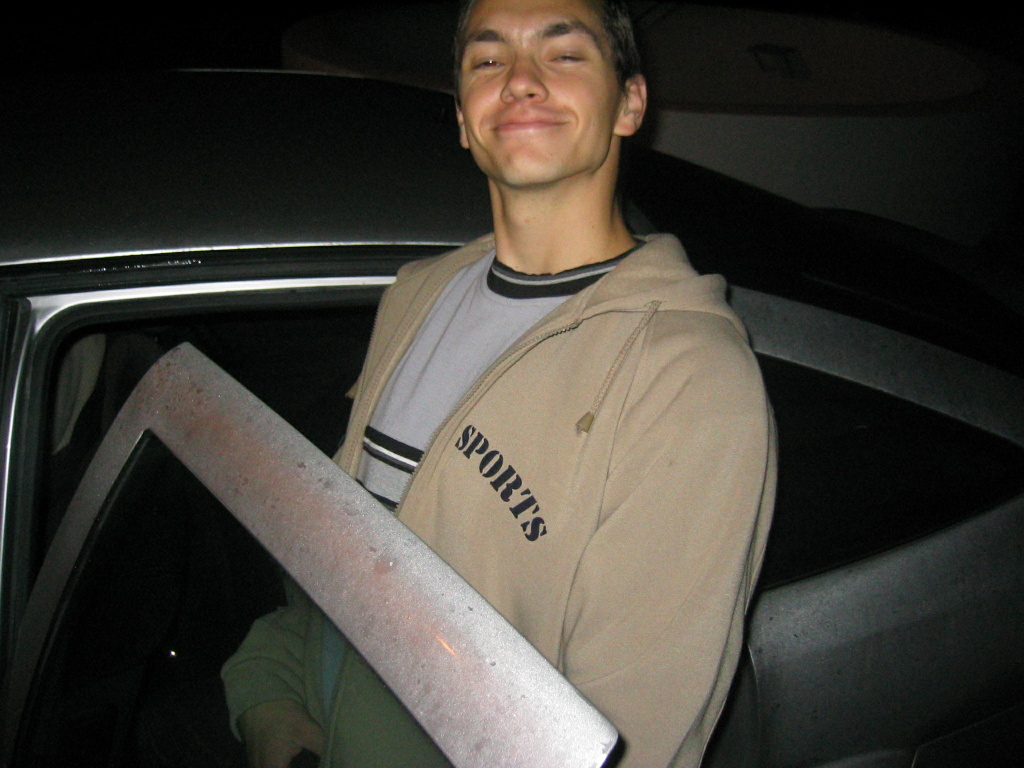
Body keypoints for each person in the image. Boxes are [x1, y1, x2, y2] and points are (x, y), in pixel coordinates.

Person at [222, 0, 777, 766]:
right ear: (462, 117)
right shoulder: (417, 297)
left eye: (565, 54)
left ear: (630, 103)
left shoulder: (690, 381)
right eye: (488, 59)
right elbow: (342, 565)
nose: (519, 80)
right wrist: (270, 691)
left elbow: (626, 744)